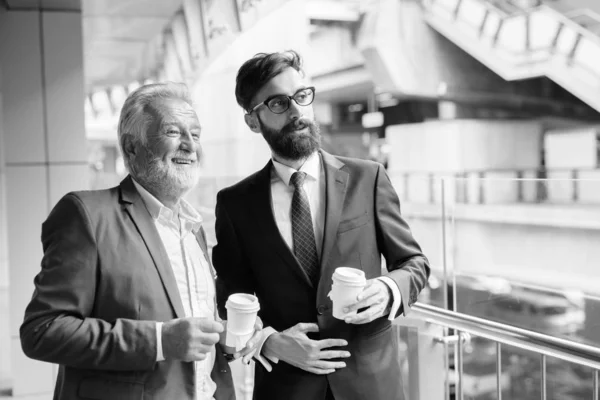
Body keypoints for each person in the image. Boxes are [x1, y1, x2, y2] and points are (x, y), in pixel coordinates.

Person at [212, 50, 430, 400]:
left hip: (370, 385)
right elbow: (231, 299)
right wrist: (269, 342)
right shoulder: (235, 204)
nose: (298, 111)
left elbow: (415, 265)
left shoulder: (368, 178)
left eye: (301, 96)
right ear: (253, 121)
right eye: (279, 103)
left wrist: (390, 287)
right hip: (287, 388)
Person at [20, 82, 257, 400]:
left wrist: (220, 336)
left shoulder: (193, 229)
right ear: (132, 146)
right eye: (174, 131)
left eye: (196, 134)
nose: (190, 145)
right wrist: (159, 340)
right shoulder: (88, 215)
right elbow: (42, 331)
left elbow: (186, 327)